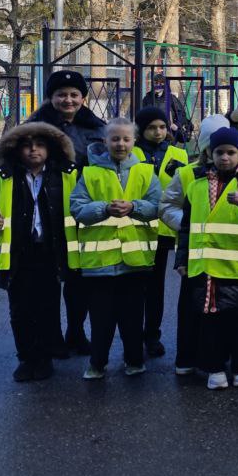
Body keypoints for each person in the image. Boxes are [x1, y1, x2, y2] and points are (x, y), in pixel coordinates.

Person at [0, 123, 80, 382]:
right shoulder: (4, 177)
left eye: (40, 144)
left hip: (50, 252)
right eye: (27, 145)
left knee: (47, 308)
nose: (34, 150)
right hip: (18, 254)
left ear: (51, 148)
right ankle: (26, 358)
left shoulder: (65, 174)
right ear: (16, 149)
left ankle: (43, 359)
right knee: (19, 310)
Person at [176, 126, 238, 390]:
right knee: (209, 321)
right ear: (210, 153)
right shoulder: (197, 184)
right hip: (205, 268)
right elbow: (186, 227)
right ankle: (214, 368)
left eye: (231, 152)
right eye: (219, 152)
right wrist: (181, 259)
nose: (225, 158)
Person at [69, 117, 162, 379]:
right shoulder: (90, 172)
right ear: (105, 141)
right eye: (114, 139)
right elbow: (77, 208)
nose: (120, 144)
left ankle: (134, 360)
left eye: (125, 139)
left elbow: (158, 206)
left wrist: (134, 207)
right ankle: (97, 363)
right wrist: (103, 208)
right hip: (99, 263)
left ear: (134, 142)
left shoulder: (145, 172)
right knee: (101, 320)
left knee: (133, 318)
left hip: (135, 261)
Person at [28, 69, 106, 353]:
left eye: (74, 95)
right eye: (61, 94)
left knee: (78, 278)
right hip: (44, 211)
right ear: (51, 97)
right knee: (47, 280)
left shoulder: (97, 128)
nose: (68, 100)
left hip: (81, 213)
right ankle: (52, 336)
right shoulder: (34, 126)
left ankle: (76, 331)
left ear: (83, 98)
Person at [159, 114, 230, 376]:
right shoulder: (187, 173)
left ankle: (218, 356)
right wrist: (189, 225)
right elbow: (167, 206)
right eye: (213, 146)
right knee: (191, 305)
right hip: (194, 252)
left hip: (226, 252)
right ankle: (187, 358)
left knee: (222, 306)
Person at [132, 107, 190, 359]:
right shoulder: (132, 152)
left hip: (166, 229)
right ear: (141, 130)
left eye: (163, 127)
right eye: (152, 127)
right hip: (137, 227)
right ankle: (134, 335)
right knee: (135, 286)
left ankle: (151, 335)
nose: (158, 132)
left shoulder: (178, 153)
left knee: (156, 287)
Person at [139, 71, 193, 145]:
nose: (158, 85)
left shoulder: (171, 98)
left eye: (161, 84)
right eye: (156, 83)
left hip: (169, 133)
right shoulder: (147, 99)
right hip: (152, 133)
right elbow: (141, 115)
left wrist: (176, 124)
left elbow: (181, 113)